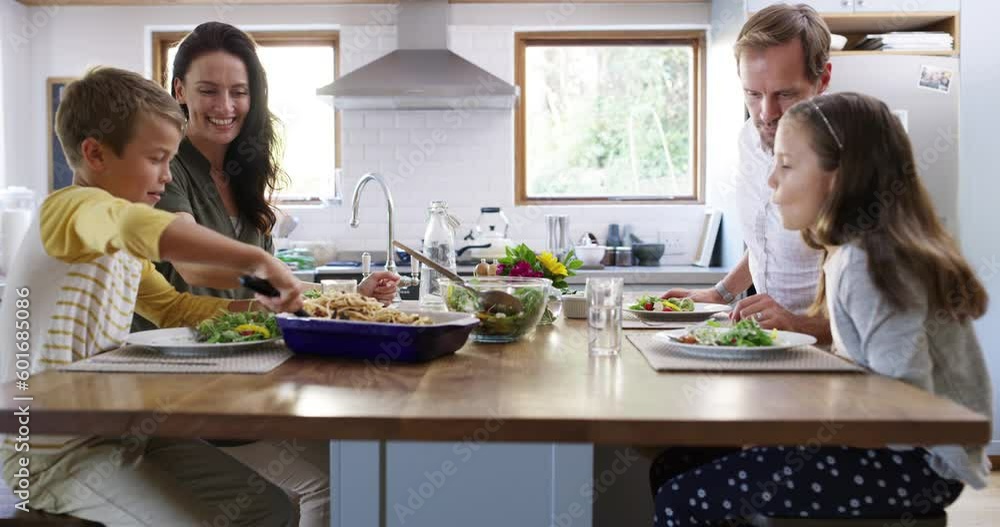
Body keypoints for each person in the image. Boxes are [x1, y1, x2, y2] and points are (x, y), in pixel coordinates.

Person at [653, 91, 992, 525]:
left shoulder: (870, 263)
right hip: (886, 449)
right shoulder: (849, 253)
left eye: (787, 165)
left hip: (914, 466)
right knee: (672, 466)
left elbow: (900, 405)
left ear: (839, 176)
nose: (772, 180)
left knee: (683, 499)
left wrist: (794, 437)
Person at [0, 67, 300, 526]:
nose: (166, 175)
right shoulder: (72, 211)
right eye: (157, 158)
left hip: (118, 435)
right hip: (49, 453)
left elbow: (173, 307)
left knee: (271, 507)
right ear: (95, 153)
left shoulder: (116, 243)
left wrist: (256, 309)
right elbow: (138, 228)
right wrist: (256, 261)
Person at [142, 22, 397, 526]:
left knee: (347, 459)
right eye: (208, 90)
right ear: (179, 92)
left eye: (239, 92)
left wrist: (345, 297)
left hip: (245, 376)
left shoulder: (245, 172)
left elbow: (265, 291)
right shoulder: (168, 166)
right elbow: (189, 260)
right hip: (184, 383)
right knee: (330, 478)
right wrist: (265, 268)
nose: (225, 106)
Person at [662, 4, 832, 344]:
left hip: (829, 358)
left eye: (785, 94)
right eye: (753, 94)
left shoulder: (848, 157)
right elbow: (764, 239)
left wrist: (799, 324)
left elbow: (883, 310)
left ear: (823, 79)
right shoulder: (749, 140)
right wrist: (720, 294)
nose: (766, 114)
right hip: (767, 345)